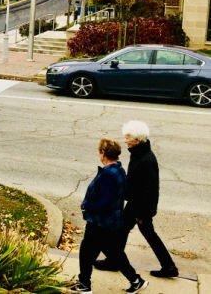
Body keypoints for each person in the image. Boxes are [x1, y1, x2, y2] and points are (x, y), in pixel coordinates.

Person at [95, 120, 179, 278]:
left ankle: (168, 266)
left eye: (128, 137)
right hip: (136, 203)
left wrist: (142, 213)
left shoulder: (145, 160)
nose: (125, 140)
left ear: (137, 139)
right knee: (122, 230)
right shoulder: (139, 153)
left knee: (144, 232)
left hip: (140, 206)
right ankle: (114, 260)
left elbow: (150, 189)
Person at [75, 138, 148, 294]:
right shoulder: (119, 170)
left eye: (99, 151)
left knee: (86, 252)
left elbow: (104, 201)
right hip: (112, 221)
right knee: (114, 253)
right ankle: (136, 281)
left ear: (103, 153)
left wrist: (86, 206)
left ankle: (84, 285)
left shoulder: (108, 174)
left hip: (100, 222)